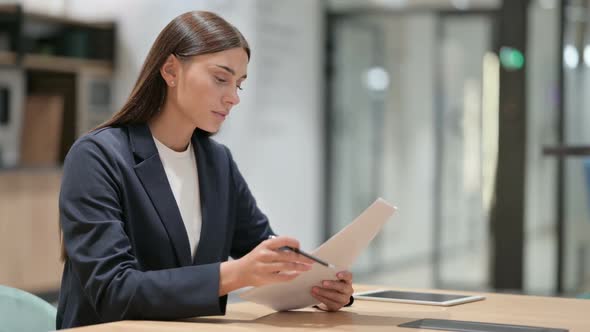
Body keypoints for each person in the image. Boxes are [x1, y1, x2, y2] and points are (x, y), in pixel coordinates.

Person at [57, 11, 354, 329]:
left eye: (239, 84)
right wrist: (236, 274)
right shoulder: (96, 156)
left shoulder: (217, 163)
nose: (233, 97)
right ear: (171, 70)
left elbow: (262, 248)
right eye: (220, 78)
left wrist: (318, 284)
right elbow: (113, 290)